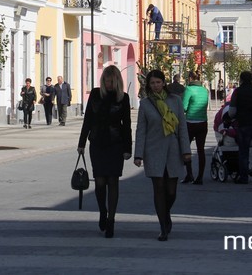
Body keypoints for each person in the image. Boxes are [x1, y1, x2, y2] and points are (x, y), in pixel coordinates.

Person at [134, 69, 191, 241]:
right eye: (152, 83)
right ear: (148, 86)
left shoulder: (176, 101)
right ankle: (163, 228)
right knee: (158, 189)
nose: (156, 85)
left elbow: (182, 127)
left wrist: (186, 150)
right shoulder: (145, 104)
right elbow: (141, 130)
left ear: (163, 83)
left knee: (171, 191)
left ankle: (165, 213)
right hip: (153, 150)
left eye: (158, 82)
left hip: (173, 149)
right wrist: (138, 154)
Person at [77, 65, 132, 238]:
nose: (108, 84)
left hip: (115, 143)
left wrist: (127, 148)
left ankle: (111, 220)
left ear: (117, 82)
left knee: (113, 181)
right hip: (97, 142)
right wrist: (81, 143)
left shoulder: (123, 98)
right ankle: (102, 211)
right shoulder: (95, 94)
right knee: (100, 182)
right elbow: (87, 120)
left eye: (112, 81)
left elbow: (127, 125)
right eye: (106, 81)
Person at [181, 71, 208, 185]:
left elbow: (184, 107)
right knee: (201, 150)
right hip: (203, 122)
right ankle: (200, 177)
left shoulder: (188, 89)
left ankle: (189, 174)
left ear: (190, 78)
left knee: (186, 149)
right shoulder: (205, 90)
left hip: (190, 123)